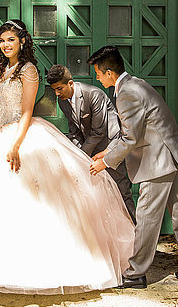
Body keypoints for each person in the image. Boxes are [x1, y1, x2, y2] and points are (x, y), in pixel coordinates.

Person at [0, 20, 135, 294]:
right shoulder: (0, 69)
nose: (5, 45)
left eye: (11, 40)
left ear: (22, 42)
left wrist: (16, 145)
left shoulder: (29, 71)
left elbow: (27, 111)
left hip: (22, 134)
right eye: (2, 40)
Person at [88, 45, 178, 288]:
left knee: (146, 218)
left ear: (110, 73)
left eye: (99, 74)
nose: (98, 78)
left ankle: (135, 274)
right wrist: (107, 150)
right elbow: (132, 133)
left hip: (159, 162)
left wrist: (105, 162)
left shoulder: (126, 94)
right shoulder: (135, 84)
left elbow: (131, 138)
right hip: (173, 155)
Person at [46, 64, 136, 223]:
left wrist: (80, 156)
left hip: (110, 147)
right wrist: (73, 154)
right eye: (54, 89)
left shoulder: (93, 94)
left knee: (122, 193)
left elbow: (98, 132)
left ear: (70, 83)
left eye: (59, 88)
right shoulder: (63, 101)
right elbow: (74, 131)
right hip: (90, 152)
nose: (56, 93)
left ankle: (138, 235)